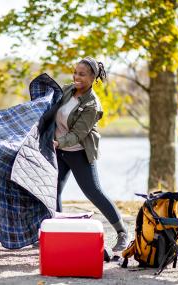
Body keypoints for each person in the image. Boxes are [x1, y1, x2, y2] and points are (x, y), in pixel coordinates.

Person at [53, 56, 128, 254]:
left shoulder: (92, 105)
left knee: (93, 192)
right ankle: (55, 232)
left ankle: (122, 232)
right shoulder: (68, 90)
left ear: (93, 77)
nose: (77, 77)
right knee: (53, 190)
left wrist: (57, 142)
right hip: (59, 150)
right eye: (75, 72)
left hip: (79, 152)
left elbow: (78, 134)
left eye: (82, 74)